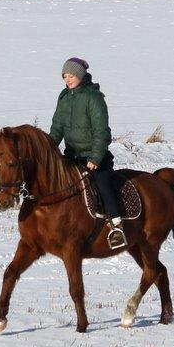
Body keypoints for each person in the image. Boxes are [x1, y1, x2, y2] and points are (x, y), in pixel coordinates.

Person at [49, 57, 126, 249]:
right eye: (65, 76)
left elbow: (102, 132)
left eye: (72, 75)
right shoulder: (64, 97)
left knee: (102, 184)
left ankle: (116, 226)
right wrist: (48, 148)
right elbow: (57, 127)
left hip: (95, 159)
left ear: (81, 76)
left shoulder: (94, 98)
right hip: (72, 157)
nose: (68, 79)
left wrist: (95, 157)